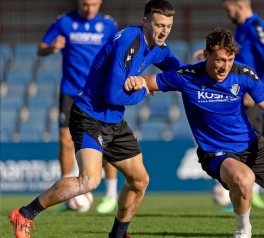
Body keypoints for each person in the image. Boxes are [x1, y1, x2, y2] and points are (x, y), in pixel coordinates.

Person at [9, 1, 184, 237]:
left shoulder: (159, 47)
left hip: (114, 120)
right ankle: (24, 214)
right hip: (89, 115)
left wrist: (204, 67)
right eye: (159, 25)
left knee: (140, 181)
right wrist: (144, 88)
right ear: (145, 22)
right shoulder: (128, 41)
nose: (164, 31)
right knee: (88, 181)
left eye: (169, 26)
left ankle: (118, 235)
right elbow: (113, 95)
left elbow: (181, 72)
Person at [136, 27, 264, 238]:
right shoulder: (187, 76)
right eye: (219, 60)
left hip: (252, 145)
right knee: (244, 179)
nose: (225, 67)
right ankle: (243, 230)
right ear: (206, 55)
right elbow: (146, 82)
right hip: (217, 153)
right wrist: (138, 82)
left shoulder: (242, 74)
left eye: (229, 60)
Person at [36, 0, 120, 214]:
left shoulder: (109, 25)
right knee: (65, 141)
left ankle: (110, 195)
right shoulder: (64, 22)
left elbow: (119, 55)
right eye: (85, 4)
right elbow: (41, 48)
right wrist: (52, 47)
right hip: (71, 92)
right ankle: (66, 193)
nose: (89, 8)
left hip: (98, 92)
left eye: (93, 4)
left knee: (107, 140)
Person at [221, 0, 264, 210]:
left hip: (254, 98)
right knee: (255, 144)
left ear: (238, 5)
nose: (227, 12)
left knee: (250, 145)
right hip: (243, 95)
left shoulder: (256, 27)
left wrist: (257, 91)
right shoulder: (241, 29)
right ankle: (248, 192)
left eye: (228, 8)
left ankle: (247, 192)